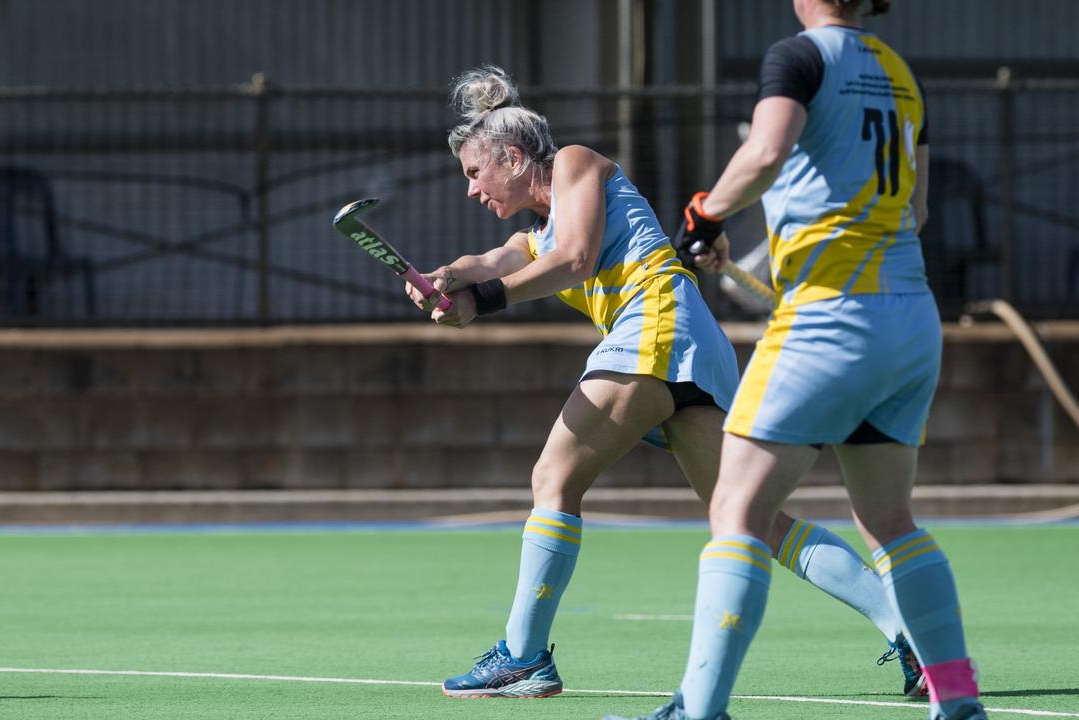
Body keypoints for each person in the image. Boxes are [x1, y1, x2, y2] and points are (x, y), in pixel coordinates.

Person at [411, 64, 923, 702]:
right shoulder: (531, 230)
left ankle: (522, 656)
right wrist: (446, 280)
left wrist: (484, 300)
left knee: (552, 478)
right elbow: (492, 263)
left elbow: (572, 258)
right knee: (755, 519)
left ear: (513, 157)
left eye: (473, 172)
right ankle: (913, 633)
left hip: (656, 330)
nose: (470, 190)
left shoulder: (574, 164)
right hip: (692, 348)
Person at [605, 2, 987, 719]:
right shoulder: (900, 73)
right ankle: (958, 702)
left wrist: (705, 217)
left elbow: (766, 152)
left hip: (828, 318)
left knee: (737, 507)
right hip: (909, 315)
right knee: (889, 519)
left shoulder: (801, 56)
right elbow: (920, 210)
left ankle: (700, 710)